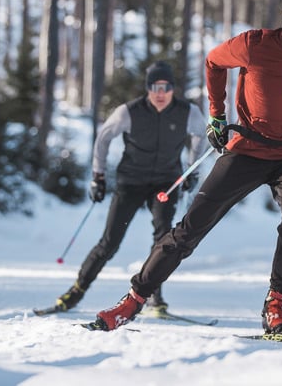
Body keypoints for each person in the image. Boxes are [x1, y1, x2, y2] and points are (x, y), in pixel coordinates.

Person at [88, 0, 282, 333]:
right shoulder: (255, 45)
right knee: (190, 229)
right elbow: (213, 62)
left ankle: (276, 304)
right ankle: (133, 299)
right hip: (248, 149)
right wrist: (216, 116)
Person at [45, 61, 207, 314]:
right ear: (148, 88)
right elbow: (103, 138)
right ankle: (76, 291)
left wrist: (191, 171)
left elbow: (201, 134)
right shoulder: (129, 112)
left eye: (166, 87)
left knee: (164, 240)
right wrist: (98, 176)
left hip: (166, 183)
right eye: (155, 87)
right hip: (131, 182)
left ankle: (154, 296)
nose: (161, 93)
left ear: (173, 89)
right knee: (109, 242)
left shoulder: (187, 112)